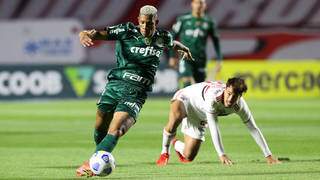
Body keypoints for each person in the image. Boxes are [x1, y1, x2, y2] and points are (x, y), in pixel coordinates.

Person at [76, 5, 194, 177]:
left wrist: (183, 47)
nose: (146, 27)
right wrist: (84, 34)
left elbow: (171, 44)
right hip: (115, 84)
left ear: (156, 22)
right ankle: (98, 157)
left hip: (136, 91)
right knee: (100, 126)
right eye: (143, 23)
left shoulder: (163, 37)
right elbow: (98, 33)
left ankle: (91, 164)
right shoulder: (126, 30)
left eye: (150, 24)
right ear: (138, 20)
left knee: (117, 129)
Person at [156, 77, 281, 166]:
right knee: (176, 117)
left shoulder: (240, 106)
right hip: (186, 99)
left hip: (200, 115)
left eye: (235, 96)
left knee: (189, 156)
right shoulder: (213, 99)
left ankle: (175, 143)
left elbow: (253, 128)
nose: (230, 99)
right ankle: (164, 152)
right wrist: (222, 154)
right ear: (225, 89)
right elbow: (214, 127)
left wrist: (268, 156)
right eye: (229, 93)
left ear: (240, 96)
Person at [169, 0, 223, 88]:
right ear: (192, 4)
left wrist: (219, 59)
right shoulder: (183, 20)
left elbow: (216, 41)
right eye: (197, 2)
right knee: (187, 80)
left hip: (200, 58)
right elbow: (172, 37)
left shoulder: (209, 22)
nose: (199, 5)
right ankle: (184, 99)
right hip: (185, 56)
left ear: (205, 5)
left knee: (199, 86)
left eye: (201, 3)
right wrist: (172, 56)